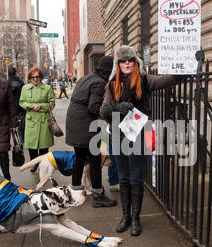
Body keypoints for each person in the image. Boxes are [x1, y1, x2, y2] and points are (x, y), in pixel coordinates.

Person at [100, 45, 184, 236]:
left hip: (138, 136)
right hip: (118, 136)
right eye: (123, 60)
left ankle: (136, 218)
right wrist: (116, 108)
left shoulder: (145, 80)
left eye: (130, 59)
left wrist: (188, 66)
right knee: (123, 178)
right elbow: (102, 111)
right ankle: (125, 217)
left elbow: (168, 80)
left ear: (135, 61)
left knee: (136, 177)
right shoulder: (112, 85)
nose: (127, 63)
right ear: (118, 64)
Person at [65, 55, 117, 208]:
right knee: (94, 160)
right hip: (86, 126)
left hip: (74, 123)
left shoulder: (86, 78)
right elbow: (93, 107)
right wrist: (111, 114)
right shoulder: (99, 83)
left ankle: (75, 193)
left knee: (80, 158)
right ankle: (98, 195)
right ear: (108, 73)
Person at [19, 67, 55, 173]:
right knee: (32, 145)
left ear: (41, 77)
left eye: (37, 76)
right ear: (30, 78)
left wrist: (41, 106)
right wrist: (31, 106)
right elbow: (22, 102)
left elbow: (52, 103)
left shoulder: (47, 88)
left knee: (44, 145)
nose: (35, 79)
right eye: (32, 77)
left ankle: (43, 164)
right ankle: (34, 163)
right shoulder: (25, 88)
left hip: (44, 120)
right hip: (31, 120)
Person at [8, 67, 25, 141]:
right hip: (20, 106)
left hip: (10, 107)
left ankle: (10, 140)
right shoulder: (20, 82)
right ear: (16, 73)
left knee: (10, 124)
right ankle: (21, 140)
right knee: (20, 124)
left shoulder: (6, 83)